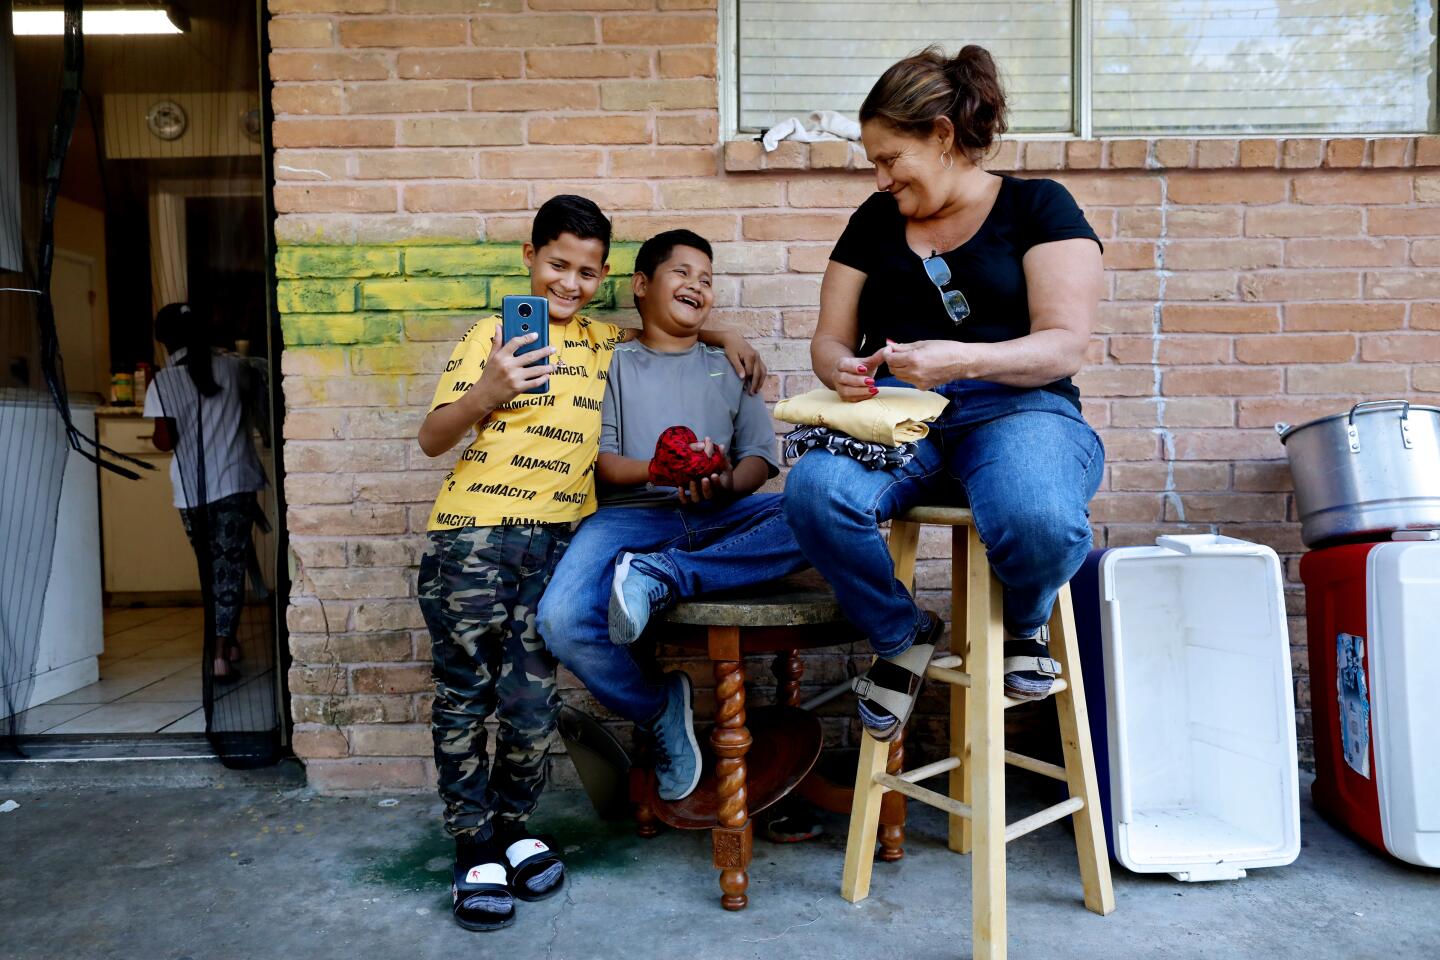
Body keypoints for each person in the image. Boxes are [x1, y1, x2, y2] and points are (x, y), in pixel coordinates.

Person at [415, 198, 765, 932]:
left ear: (607, 276)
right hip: (472, 540)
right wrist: (487, 391)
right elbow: (431, 437)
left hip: (556, 543)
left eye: (585, 271)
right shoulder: (493, 336)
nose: (569, 284)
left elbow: (672, 333)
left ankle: (512, 831)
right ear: (529, 258)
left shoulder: (610, 346)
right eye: (556, 266)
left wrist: (726, 332)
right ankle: (470, 846)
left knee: (532, 705)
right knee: (463, 701)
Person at [783, 45, 1106, 743]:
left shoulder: (1038, 206)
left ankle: (1024, 624)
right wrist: (842, 368)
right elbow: (828, 339)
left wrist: (963, 360)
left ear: (942, 135)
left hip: (1020, 407)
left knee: (1040, 518)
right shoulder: (874, 221)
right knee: (814, 490)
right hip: (900, 417)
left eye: (889, 158)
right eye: (871, 161)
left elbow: (1065, 343)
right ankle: (902, 636)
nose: (879, 177)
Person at [537, 229, 809, 803]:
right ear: (641, 285)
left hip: (721, 515)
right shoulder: (611, 362)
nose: (696, 286)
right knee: (560, 620)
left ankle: (662, 574)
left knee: (817, 506)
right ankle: (658, 707)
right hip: (628, 520)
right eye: (682, 273)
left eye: (706, 280)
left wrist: (726, 482)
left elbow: (762, 459)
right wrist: (660, 470)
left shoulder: (730, 366)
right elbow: (604, 464)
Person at [146, 302, 268, 682]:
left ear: (163, 341)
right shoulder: (233, 368)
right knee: (229, 568)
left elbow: (164, 441)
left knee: (210, 570)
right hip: (235, 483)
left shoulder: (163, 380)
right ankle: (225, 646)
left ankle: (219, 652)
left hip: (191, 492)